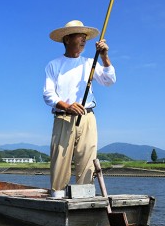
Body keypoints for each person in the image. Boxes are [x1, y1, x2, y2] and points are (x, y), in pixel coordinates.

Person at [43, 20, 117, 194]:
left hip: (87, 117)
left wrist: (105, 57)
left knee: (87, 161)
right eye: (80, 36)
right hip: (63, 117)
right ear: (67, 39)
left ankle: (84, 200)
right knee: (60, 161)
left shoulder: (89, 62)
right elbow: (48, 94)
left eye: (85, 37)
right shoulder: (54, 65)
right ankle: (58, 198)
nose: (84, 40)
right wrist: (67, 106)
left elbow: (109, 80)